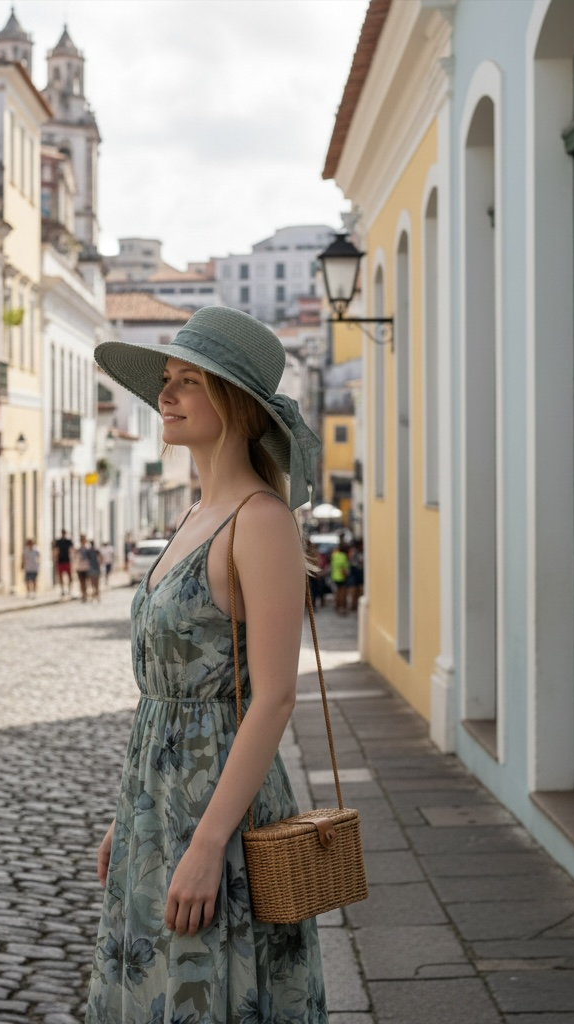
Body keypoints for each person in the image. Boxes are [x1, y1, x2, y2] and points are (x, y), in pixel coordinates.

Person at [85, 306, 327, 1023]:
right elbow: (162, 697)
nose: (166, 394)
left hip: (219, 808)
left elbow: (274, 697)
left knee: (211, 989)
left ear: (237, 404)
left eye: (189, 381)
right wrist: (124, 817)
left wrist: (211, 841)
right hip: (154, 807)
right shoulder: (193, 516)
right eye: (167, 379)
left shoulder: (260, 520)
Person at [331, 541, 350, 615]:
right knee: (342, 593)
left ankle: (337, 606)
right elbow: (343, 568)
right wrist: (346, 575)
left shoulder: (335, 555)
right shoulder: (343, 556)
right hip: (341, 577)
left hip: (335, 576)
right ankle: (342, 607)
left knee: (337, 592)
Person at [53, 529, 74, 598]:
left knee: (70, 577)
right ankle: (63, 590)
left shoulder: (69, 541)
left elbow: (72, 551)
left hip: (67, 561)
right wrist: (55, 561)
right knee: (61, 577)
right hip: (61, 561)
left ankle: (69, 590)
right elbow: (56, 551)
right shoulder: (58, 542)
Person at [75, 534, 92, 602]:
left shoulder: (88, 549)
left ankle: (86, 593)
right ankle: (83, 594)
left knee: (87, 581)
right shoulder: (78, 548)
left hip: (86, 567)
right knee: (81, 582)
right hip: (80, 567)